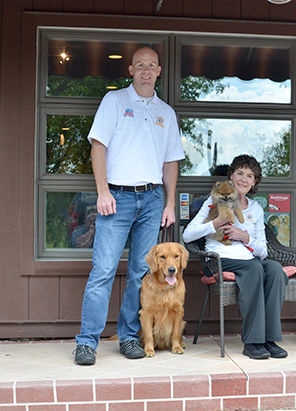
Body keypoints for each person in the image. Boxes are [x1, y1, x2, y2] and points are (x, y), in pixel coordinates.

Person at [74, 47, 185, 365]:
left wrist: (169, 202)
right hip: (117, 198)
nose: (146, 70)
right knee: (103, 270)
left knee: (141, 271)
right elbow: (98, 147)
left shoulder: (166, 113)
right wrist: (103, 192)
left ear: (159, 71)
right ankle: (87, 342)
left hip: (152, 199)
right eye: (140, 65)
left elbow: (170, 161)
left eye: (151, 65)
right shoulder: (114, 101)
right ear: (131, 70)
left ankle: (128, 336)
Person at [182, 155, 289, 360]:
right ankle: (252, 342)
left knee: (275, 269)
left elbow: (263, 251)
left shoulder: (256, 209)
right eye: (240, 173)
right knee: (255, 269)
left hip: (248, 258)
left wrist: (245, 237)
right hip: (220, 258)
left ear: (254, 182)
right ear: (231, 176)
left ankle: (269, 339)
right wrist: (215, 223)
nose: (244, 179)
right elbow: (187, 235)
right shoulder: (212, 202)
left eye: (250, 176)